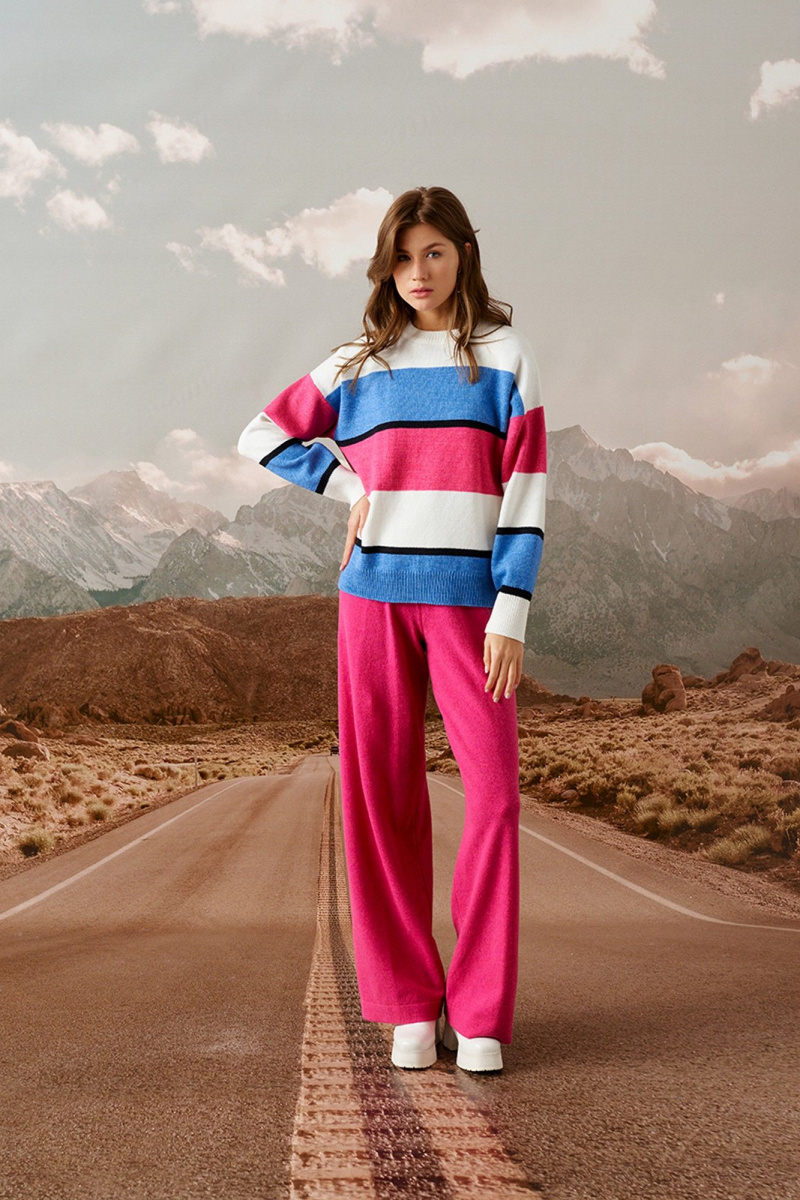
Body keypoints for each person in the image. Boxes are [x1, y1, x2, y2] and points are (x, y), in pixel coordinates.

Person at [237, 185, 547, 1074]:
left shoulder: (505, 355)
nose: (419, 272)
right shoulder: (356, 362)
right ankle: (410, 1002)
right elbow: (261, 433)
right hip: (371, 598)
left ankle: (478, 1013)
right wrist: (350, 487)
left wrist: (513, 607)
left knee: (494, 798)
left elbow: (526, 486)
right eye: (404, 257)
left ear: (462, 255)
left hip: (471, 605)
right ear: (387, 265)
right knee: (382, 797)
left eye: (434, 252)